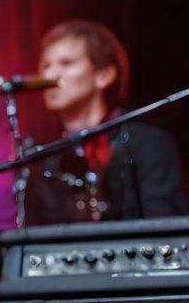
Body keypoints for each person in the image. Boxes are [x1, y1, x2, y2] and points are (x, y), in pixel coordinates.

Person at [25, 20, 186, 225]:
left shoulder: (147, 143)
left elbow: (167, 231)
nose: (50, 75)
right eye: (45, 65)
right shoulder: (41, 158)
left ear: (104, 75)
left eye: (66, 63)